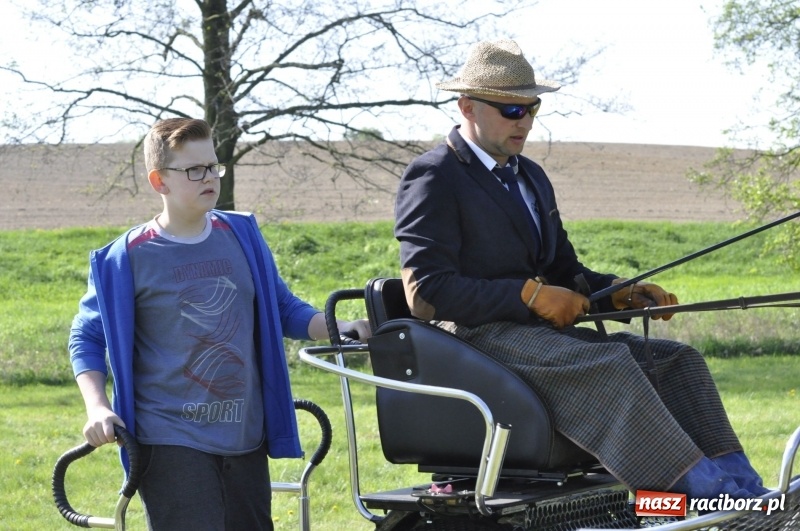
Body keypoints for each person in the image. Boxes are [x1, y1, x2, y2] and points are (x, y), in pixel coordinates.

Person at [394, 39, 767, 501]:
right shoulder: (434, 175)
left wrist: (616, 294)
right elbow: (427, 292)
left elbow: (564, 271)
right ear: (467, 105)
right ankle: (702, 497)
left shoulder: (530, 176)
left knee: (677, 362)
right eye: (511, 111)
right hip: (473, 337)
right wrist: (526, 296)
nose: (525, 122)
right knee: (609, 365)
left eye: (532, 108)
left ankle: (745, 491)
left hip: (533, 336)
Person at [68, 117, 371, 531]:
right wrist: (97, 406)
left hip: (245, 435)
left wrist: (337, 326)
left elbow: (281, 306)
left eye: (213, 166)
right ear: (160, 181)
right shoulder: (126, 257)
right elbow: (86, 335)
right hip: (170, 438)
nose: (209, 177)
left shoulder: (240, 233)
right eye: (194, 170)